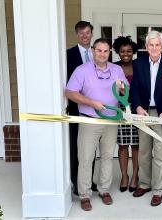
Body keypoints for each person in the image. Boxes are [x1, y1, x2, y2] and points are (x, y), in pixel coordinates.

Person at [65, 38, 128, 211]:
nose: (102, 54)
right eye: (99, 50)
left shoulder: (116, 69)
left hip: (111, 120)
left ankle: (104, 190)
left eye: (106, 51)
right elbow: (70, 92)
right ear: (93, 51)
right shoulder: (82, 70)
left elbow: (125, 90)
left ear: (109, 52)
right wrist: (91, 102)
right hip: (90, 119)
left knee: (107, 156)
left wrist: (121, 87)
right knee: (85, 158)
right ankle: (85, 194)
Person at [129, 30, 162, 206]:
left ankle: (157, 190)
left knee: (160, 154)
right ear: (146, 46)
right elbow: (133, 88)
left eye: (158, 44)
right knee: (143, 152)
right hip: (143, 113)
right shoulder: (138, 63)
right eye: (151, 44)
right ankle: (144, 184)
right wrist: (138, 107)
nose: (154, 47)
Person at [66, 20, 97, 195]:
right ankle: (76, 181)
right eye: (81, 33)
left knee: (91, 147)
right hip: (76, 109)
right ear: (77, 35)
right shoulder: (68, 55)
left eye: (87, 32)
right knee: (77, 147)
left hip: (95, 110)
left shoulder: (98, 53)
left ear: (91, 34)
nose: (85, 36)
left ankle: (88, 180)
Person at [112, 36, 139, 192]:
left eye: (129, 50)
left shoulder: (139, 66)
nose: (126, 53)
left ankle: (135, 175)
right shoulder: (113, 67)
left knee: (136, 145)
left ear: (133, 52)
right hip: (120, 108)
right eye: (122, 51)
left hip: (137, 108)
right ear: (118, 52)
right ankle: (124, 176)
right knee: (122, 144)